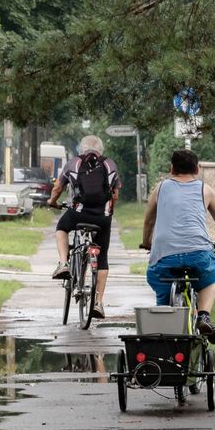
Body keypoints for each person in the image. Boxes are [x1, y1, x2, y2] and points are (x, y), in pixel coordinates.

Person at [141, 149, 215, 344]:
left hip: (165, 256)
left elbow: (149, 221)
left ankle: (164, 322)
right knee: (209, 281)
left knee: (161, 285)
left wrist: (147, 243)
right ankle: (204, 316)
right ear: (197, 169)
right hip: (199, 254)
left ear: (171, 169)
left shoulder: (160, 188)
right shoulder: (205, 189)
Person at [48, 135, 120, 319]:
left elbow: (57, 188)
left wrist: (52, 201)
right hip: (103, 218)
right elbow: (115, 194)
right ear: (100, 150)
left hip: (78, 213)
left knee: (62, 228)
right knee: (102, 258)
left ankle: (64, 263)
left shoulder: (73, 163)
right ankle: (98, 303)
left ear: (82, 149)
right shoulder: (110, 164)